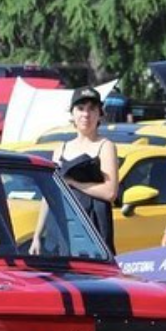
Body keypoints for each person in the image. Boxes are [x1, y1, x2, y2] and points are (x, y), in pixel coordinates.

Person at [29, 86, 119, 254]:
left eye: (92, 109)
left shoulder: (105, 147)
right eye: (80, 108)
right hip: (60, 229)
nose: (86, 114)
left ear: (100, 113)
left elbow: (110, 192)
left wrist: (73, 183)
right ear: (72, 113)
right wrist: (37, 236)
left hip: (93, 231)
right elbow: (49, 195)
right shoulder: (61, 149)